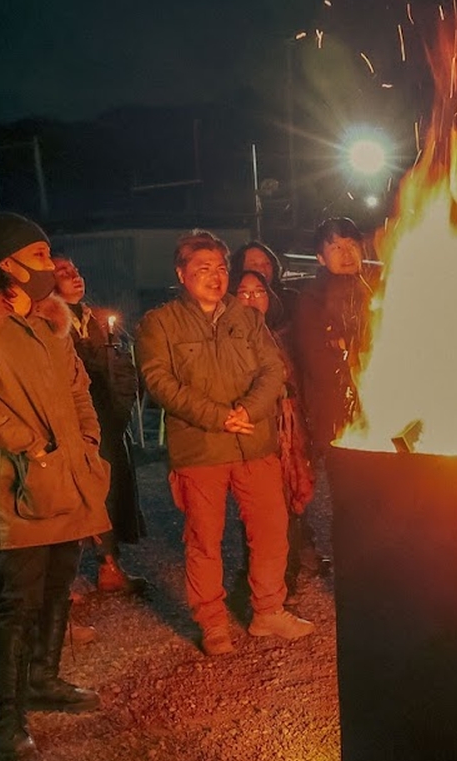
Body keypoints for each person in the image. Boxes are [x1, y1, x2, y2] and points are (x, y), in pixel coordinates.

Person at [0, 211, 112, 761]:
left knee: (59, 585)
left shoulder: (49, 325)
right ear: (5, 266)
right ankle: (9, 725)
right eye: (38, 257)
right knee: (16, 605)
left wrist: (86, 440)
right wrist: (31, 444)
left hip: (66, 478)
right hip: (16, 488)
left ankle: (44, 678)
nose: (50, 266)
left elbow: (78, 388)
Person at [136, 229, 314, 655]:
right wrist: (218, 417)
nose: (215, 277)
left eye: (220, 268)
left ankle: (268, 611)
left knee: (271, 531)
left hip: (254, 443)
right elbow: (160, 383)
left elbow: (273, 372)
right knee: (204, 540)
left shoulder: (247, 318)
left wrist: (248, 411)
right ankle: (212, 622)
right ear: (181, 273)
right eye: (203, 269)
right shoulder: (159, 323)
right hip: (200, 449)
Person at [52, 254, 148, 595]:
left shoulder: (92, 318)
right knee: (76, 497)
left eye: (75, 269)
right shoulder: (47, 324)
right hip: (73, 426)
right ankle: (63, 580)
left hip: (107, 419)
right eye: (62, 272)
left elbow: (120, 367)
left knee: (108, 491)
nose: (74, 276)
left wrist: (121, 402)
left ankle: (109, 564)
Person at [231, 268, 319, 582]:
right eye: (244, 292)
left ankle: (287, 576)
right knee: (256, 509)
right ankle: (259, 577)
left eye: (259, 291)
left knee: (290, 505)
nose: (252, 298)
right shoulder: (231, 336)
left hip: (290, 429)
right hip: (255, 429)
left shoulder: (284, 334)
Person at [291, 216, 377, 455]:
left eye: (351, 245)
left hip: (378, 402)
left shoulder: (375, 289)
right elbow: (315, 360)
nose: (346, 254)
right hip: (335, 408)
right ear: (320, 257)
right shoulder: (311, 300)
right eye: (336, 247)